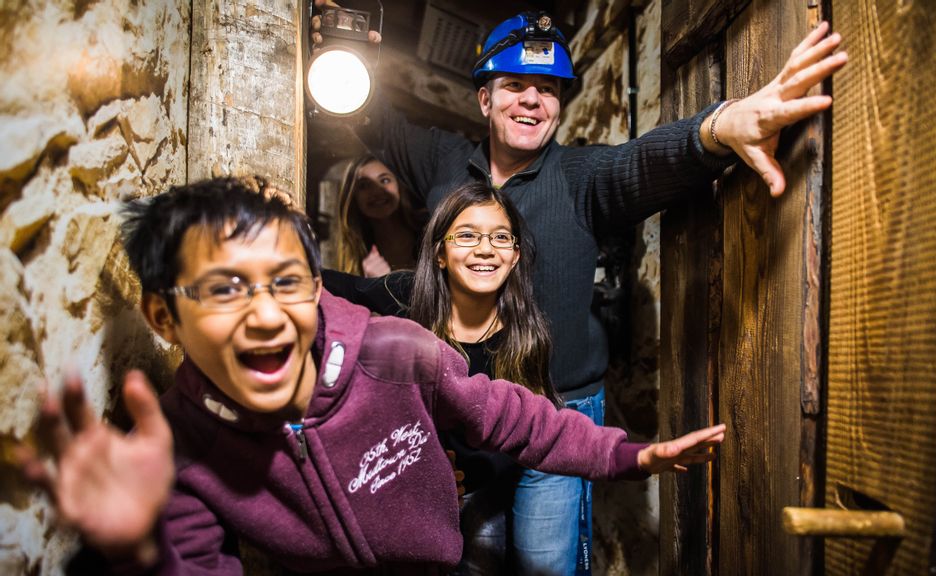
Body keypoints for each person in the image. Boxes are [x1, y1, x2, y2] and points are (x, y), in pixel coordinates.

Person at [313, 7, 847, 573]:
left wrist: (718, 129)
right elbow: (378, 121)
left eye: (546, 89)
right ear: (484, 100)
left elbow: (643, 163)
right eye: (514, 85)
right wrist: (351, 56)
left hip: (559, 408)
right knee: (471, 557)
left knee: (548, 565)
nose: (530, 101)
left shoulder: (580, 176)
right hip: (468, 412)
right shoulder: (443, 162)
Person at [16, 176, 727, 575]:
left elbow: (516, 417)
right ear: (163, 318)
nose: (265, 316)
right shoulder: (175, 446)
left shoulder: (396, 351)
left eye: (287, 282)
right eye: (226, 288)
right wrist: (141, 553)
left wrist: (630, 454)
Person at [323, 181, 562, 574]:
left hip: (483, 491)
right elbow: (325, 286)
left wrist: (463, 474)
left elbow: (523, 435)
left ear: (515, 255)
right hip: (406, 489)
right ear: (439, 253)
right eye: (466, 235)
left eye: (500, 237)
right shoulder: (405, 295)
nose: (485, 248)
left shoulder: (527, 333)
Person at [335, 154, 425, 277]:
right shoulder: (356, 253)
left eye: (385, 180)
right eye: (364, 185)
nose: (377, 191)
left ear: (399, 185)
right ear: (353, 197)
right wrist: (374, 286)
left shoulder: (429, 232)